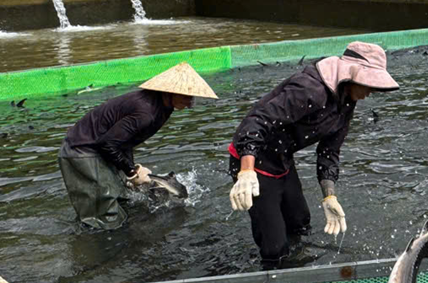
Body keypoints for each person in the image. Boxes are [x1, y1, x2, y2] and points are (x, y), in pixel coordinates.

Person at [228, 41, 398, 268]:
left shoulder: (346, 102)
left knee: (300, 223)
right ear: (352, 75)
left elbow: (329, 152)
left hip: (281, 158)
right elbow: (255, 122)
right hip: (253, 159)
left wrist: (330, 196)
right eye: (368, 84)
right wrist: (246, 172)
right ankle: (274, 279)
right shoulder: (309, 90)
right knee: (275, 247)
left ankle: (297, 267)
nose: (369, 92)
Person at [58, 62, 218, 230]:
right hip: (81, 150)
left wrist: (131, 170)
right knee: (103, 218)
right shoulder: (146, 112)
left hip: (100, 148)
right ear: (171, 92)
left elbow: (125, 141)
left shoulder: (164, 107)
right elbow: (107, 144)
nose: (189, 103)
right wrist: (131, 172)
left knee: (123, 199)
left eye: (191, 97)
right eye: (186, 96)